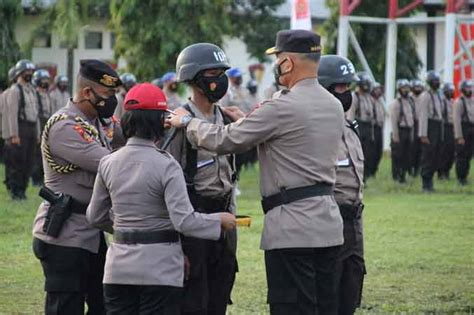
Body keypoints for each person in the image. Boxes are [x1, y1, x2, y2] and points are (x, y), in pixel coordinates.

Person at [167, 30, 345, 315]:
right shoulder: (334, 105)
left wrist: (187, 121)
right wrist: (250, 120)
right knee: (323, 305)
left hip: (292, 229)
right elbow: (291, 134)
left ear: (287, 63)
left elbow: (223, 140)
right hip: (329, 225)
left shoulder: (281, 106)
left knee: (293, 307)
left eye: (277, 60)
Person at [86, 82, 236, 314]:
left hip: (118, 269)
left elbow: (95, 216)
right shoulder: (167, 165)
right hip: (160, 270)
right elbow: (184, 221)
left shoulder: (108, 162)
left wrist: (129, 229)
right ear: (160, 122)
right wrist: (219, 221)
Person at [32, 59, 123, 315]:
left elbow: (127, 132)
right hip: (65, 234)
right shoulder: (66, 126)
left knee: (104, 305)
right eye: (107, 94)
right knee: (66, 308)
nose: (112, 100)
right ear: (86, 93)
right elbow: (109, 163)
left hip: (92, 232)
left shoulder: (96, 121)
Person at [166, 43, 238, 315]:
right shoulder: (178, 123)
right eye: (212, 73)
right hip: (193, 219)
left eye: (222, 72)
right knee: (195, 298)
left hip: (224, 216)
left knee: (220, 292)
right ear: (193, 78)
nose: (220, 80)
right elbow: (168, 181)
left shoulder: (227, 119)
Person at [318, 54, 365, 315]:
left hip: (355, 223)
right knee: (328, 294)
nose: (347, 94)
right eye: (340, 88)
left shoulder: (350, 129)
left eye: (349, 88)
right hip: (330, 221)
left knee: (351, 289)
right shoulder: (316, 130)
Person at [2, 59, 39, 200]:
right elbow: (12, 114)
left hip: (31, 128)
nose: (29, 74)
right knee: (18, 162)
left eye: (31, 71)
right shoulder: (15, 91)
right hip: (20, 127)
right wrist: (14, 134)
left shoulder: (32, 90)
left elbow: (36, 113)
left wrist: (38, 132)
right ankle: (15, 191)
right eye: (26, 71)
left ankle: (23, 190)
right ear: (19, 73)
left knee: (29, 162)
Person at [347, 72, 376, 179]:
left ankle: (365, 176)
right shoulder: (355, 96)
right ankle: (356, 175)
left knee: (367, 153)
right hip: (359, 125)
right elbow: (351, 115)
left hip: (368, 127)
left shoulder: (369, 98)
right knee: (358, 153)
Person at [418, 70, 443, 192]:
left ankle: (431, 183)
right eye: (435, 81)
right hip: (429, 127)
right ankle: (425, 184)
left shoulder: (438, 95)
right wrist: (423, 134)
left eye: (438, 81)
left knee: (435, 156)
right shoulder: (425, 96)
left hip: (437, 126)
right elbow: (423, 115)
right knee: (427, 156)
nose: (437, 83)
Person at [390, 79, 415, 183]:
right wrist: (395, 137)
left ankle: (403, 175)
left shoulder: (410, 101)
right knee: (398, 155)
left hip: (408, 131)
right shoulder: (396, 103)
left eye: (407, 88)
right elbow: (394, 121)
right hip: (400, 131)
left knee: (407, 155)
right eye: (403, 88)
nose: (406, 90)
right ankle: (397, 175)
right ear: (399, 89)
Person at [31, 69, 53, 186]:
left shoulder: (47, 95)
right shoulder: (35, 95)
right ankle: (35, 178)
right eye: (43, 80)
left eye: (47, 80)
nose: (45, 82)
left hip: (46, 124)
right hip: (38, 125)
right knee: (37, 155)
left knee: (45, 154)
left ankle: (43, 177)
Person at [453, 79, 474, 185]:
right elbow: (456, 121)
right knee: (462, 156)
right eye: (468, 88)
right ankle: (460, 178)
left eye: (471, 87)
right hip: (463, 129)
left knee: (469, 155)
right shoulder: (459, 102)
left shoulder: (472, 101)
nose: (470, 90)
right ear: (462, 89)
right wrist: (459, 136)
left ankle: (465, 176)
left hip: (471, 128)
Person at [438, 83, 455, 180]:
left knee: (451, 151)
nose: (451, 92)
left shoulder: (453, 102)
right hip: (444, 127)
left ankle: (447, 170)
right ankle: (441, 172)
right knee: (444, 151)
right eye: (449, 90)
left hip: (452, 127)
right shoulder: (442, 102)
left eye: (452, 90)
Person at [409, 79, 425, 176]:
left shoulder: (423, 98)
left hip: (421, 123)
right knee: (412, 148)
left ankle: (418, 168)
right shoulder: (409, 98)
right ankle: (411, 168)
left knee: (420, 148)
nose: (418, 89)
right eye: (416, 87)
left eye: (419, 87)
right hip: (412, 123)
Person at [370, 82, 386, 176]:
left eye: (379, 89)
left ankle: (374, 170)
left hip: (379, 127)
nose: (378, 91)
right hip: (372, 127)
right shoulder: (369, 100)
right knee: (371, 151)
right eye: (376, 89)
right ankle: (369, 171)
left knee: (378, 151)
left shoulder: (380, 101)